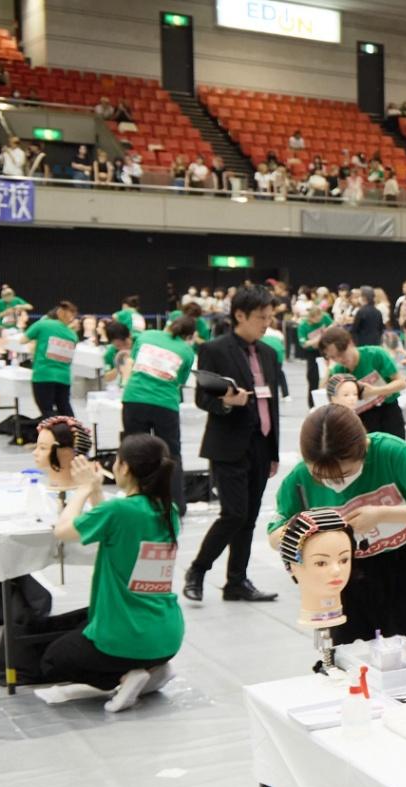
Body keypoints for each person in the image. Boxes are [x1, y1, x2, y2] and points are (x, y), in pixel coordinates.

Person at [270, 404, 406, 650]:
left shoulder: (391, 453)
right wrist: (309, 529)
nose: (334, 482)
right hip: (345, 576)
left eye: (345, 473)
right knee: (351, 662)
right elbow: (275, 536)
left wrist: (383, 514)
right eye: (321, 475)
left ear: (363, 448)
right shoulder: (299, 479)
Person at [46, 434, 183, 712]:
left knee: (52, 660)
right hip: (168, 636)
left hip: (126, 636)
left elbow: (63, 531)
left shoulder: (119, 510)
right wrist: (96, 490)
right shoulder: (168, 510)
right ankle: (153, 670)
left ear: (124, 469)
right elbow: (112, 525)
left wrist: (82, 489)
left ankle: (125, 676)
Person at [184, 288, 283, 603]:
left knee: (250, 517)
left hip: (261, 446)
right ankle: (197, 570)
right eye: (261, 317)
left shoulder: (268, 352)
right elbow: (202, 397)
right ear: (240, 315)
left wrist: (273, 451)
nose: (266, 323)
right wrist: (227, 402)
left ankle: (236, 582)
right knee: (234, 514)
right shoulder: (216, 349)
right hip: (228, 445)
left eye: (270, 317)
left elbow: (272, 404)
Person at [120, 316, 197, 514]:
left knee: (134, 450)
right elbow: (180, 380)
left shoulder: (146, 336)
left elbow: (134, 361)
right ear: (189, 335)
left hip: (134, 398)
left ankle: (134, 499)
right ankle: (176, 505)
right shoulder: (187, 351)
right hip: (165, 404)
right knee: (171, 454)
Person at [317, 327, 406, 437]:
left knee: (395, 450)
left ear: (350, 343)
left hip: (388, 411)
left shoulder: (375, 354)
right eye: (333, 357)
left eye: (342, 354)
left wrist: (375, 391)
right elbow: (322, 392)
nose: (340, 360)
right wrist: (329, 370)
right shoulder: (338, 370)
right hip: (362, 418)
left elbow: (401, 383)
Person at [26, 300, 81, 419]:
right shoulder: (72, 335)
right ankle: (74, 434)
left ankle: (52, 435)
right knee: (65, 408)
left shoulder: (43, 324)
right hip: (63, 377)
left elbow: (23, 340)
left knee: (47, 411)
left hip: (43, 374)